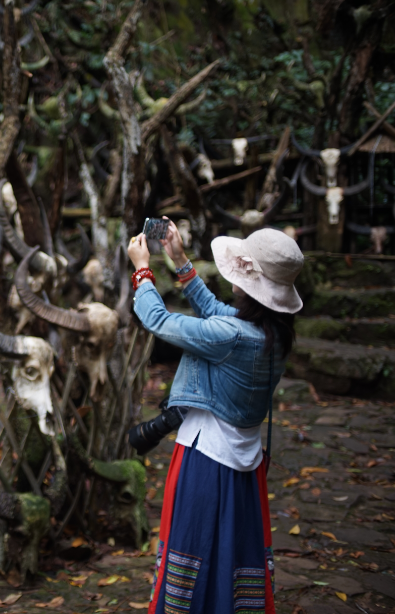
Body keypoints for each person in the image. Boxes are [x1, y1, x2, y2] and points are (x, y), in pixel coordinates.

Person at [126, 220, 303, 614]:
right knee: (232, 551)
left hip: (207, 461)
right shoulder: (274, 332)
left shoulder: (233, 336)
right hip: (244, 462)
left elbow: (159, 321)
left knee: (194, 544)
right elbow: (219, 314)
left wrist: (142, 269)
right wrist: (180, 260)